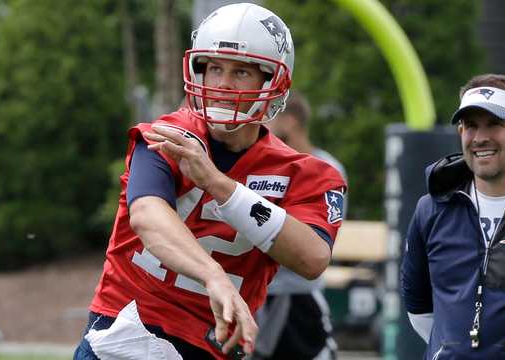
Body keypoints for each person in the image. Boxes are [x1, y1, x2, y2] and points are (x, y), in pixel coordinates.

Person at [73, 3, 347, 360]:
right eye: (214, 68)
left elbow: (312, 258)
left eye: (240, 72)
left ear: (273, 81)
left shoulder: (307, 172)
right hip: (129, 330)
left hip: (212, 345)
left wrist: (221, 185)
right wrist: (212, 275)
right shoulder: (169, 136)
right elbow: (147, 216)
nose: (222, 84)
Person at [400, 73, 505, 359]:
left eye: (495, 124)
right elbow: (419, 307)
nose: (480, 138)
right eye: (470, 126)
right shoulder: (431, 208)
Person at [250, 90, 347, 360]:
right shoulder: (259, 164)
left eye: (268, 117)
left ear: (290, 121)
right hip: (249, 294)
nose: (260, 125)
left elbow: (313, 244)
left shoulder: (327, 169)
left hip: (295, 297)